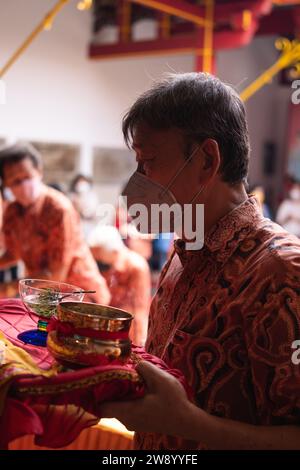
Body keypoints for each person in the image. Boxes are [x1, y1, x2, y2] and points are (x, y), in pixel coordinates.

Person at [101, 73, 300, 450]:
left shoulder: (282, 273)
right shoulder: (183, 251)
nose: (137, 182)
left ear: (207, 160)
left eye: (148, 162)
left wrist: (192, 425)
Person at [0, 143, 110, 304]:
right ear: (6, 184)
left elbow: (56, 275)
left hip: (80, 296)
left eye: (27, 177)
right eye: (15, 181)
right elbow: (13, 253)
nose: (23, 185)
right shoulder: (12, 212)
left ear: (39, 171)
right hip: (44, 296)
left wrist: (7, 288)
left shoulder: (58, 209)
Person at [88, 225, 151, 346]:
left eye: (100, 260)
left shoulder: (136, 266)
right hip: (107, 328)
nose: (98, 263)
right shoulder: (105, 263)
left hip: (127, 332)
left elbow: (139, 311)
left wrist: (138, 346)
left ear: (114, 251)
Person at [69, 174, 99, 239]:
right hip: (76, 226)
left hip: (89, 226)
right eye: (79, 182)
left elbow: (93, 213)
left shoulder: (92, 196)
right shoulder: (72, 197)